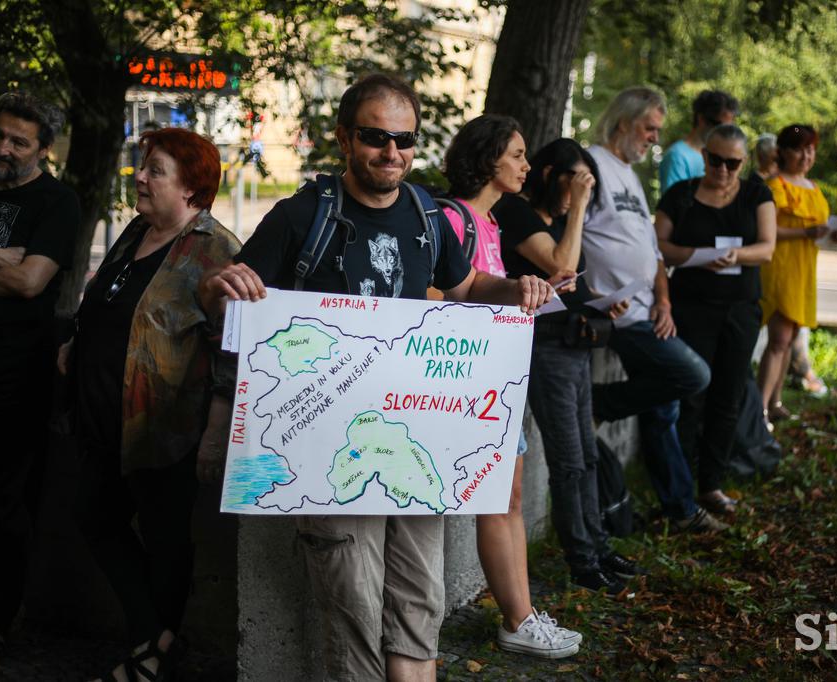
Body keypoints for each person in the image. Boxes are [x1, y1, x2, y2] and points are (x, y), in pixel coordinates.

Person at [199, 74, 554, 682]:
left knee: (420, 597)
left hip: (416, 442)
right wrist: (221, 287)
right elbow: (224, 294)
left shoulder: (426, 214)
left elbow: (465, 287)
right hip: (327, 450)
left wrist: (516, 287)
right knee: (354, 606)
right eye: (374, 137)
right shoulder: (300, 214)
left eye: (405, 140)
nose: (392, 153)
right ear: (344, 139)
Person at [55, 128, 240, 682]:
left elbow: (231, 348)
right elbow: (113, 299)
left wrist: (215, 429)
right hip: (99, 415)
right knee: (93, 515)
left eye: (154, 170)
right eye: (142, 166)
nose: (140, 176)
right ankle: (155, 637)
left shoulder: (215, 248)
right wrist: (77, 340)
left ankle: (150, 655)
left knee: (165, 540)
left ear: (190, 187)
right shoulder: (138, 228)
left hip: (165, 425)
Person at [440, 115, 580, 658]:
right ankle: (518, 620)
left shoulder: (493, 225)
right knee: (499, 499)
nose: (527, 165)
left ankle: (521, 615)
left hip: (498, 378)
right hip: (472, 384)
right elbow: (440, 295)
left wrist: (540, 291)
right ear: (487, 159)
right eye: (518, 155)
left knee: (510, 496)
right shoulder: (454, 219)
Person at [496, 137, 647, 596]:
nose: (578, 194)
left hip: (573, 346)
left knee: (585, 454)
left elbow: (566, 285)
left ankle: (597, 547)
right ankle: (581, 560)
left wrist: (600, 309)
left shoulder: (558, 220)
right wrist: (579, 208)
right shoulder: (517, 213)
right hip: (544, 350)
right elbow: (559, 265)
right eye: (574, 183)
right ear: (550, 175)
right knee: (567, 461)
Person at [581, 87, 725, 531]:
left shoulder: (629, 173)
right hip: (615, 314)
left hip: (649, 309)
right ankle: (596, 403)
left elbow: (653, 251)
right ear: (624, 122)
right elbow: (567, 243)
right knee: (692, 375)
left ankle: (680, 510)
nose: (653, 139)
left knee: (665, 410)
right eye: (649, 128)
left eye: (658, 131)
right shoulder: (591, 165)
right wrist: (587, 297)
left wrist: (663, 299)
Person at [0, 92, 79, 658]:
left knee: (2, 499)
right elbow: (17, 271)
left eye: (18, 142)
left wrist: (20, 267)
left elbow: (30, 284)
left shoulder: (57, 202)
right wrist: (7, 257)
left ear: (44, 149)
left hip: (14, 373)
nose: (3, 148)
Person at [655, 124, 776, 513]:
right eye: (715, 160)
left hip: (740, 309)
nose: (723, 169)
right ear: (704, 156)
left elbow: (767, 248)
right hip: (692, 306)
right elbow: (657, 246)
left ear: (743, 162)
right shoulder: (681, 194)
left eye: (733, 163)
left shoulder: (756, 192)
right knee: (692, 393)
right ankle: (681, 484)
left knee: (729, 395)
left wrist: (735, 257)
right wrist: (695, 254)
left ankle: (712, 483)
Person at [756, 124, 837, 430]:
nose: (806, 155)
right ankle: (760, 408)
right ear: (783, 152)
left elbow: (820, 227)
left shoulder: (813, 187)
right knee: (778, 338)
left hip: (804, 267)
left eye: (811, 149)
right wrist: (804, 232)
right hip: (780, 267)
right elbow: (766, 229)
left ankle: (775, 402)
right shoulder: (776, 186)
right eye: (799, 149)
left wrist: (831, 234)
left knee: (789, 338)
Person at [658, 89, 739, 193]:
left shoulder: (718, 156)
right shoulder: (678, 157)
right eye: (720, 127)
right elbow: (673, 205)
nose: (725, 133)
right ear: (702, 119)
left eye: (729, 128)